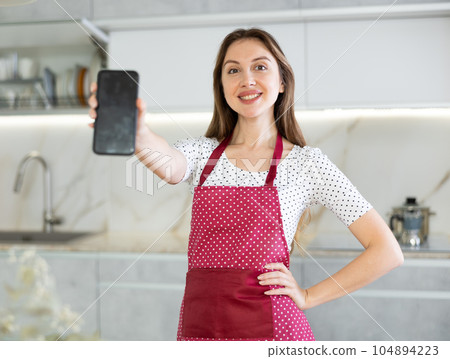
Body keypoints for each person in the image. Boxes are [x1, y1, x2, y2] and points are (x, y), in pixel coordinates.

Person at [88, 28, 404, 341]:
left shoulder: (306, 164)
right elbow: (170, 166)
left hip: (274, 333)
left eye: (260, 67)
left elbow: (387, 251)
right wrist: (137, 130)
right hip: (201, 330)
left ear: (282, 82)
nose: (247, 80)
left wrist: (308, 297)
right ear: (222, 86)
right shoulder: (202, 153)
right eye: (233, 70)